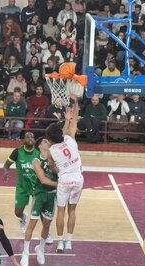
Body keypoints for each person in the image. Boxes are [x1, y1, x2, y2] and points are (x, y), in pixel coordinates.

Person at [45, 92, 83, 253]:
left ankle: (60, 242)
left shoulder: (51, 150)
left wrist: (57, 171)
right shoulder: (70, 140)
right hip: (78, 179)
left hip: (64, 180)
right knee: (72, 210)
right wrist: (75, 106)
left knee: (60, 211)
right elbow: (73, 124)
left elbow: (51, 165)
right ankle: (69, 241)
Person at [20, 137, 58, 266]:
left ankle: (40, 249)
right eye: (46, 141)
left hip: (51, 196)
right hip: (40, 194)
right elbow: (43, 180)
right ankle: (26, 251)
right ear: (41, 146)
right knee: (33, 223)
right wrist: (61, 184)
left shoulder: (54, 159)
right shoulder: (36, 161)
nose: (49, 143)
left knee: (47, 225)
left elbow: (60, 172)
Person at [2, 132, 38, 232]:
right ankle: (23, 219)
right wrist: (5, 172)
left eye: (32, 136)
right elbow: (6, 165)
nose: (30, 138)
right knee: (17, 212)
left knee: (41, 211)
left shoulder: (38, 152)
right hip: (22, 186)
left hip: (36, 186)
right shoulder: (17, 152)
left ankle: (46, 233)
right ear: (24, 139)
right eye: (28, 137)